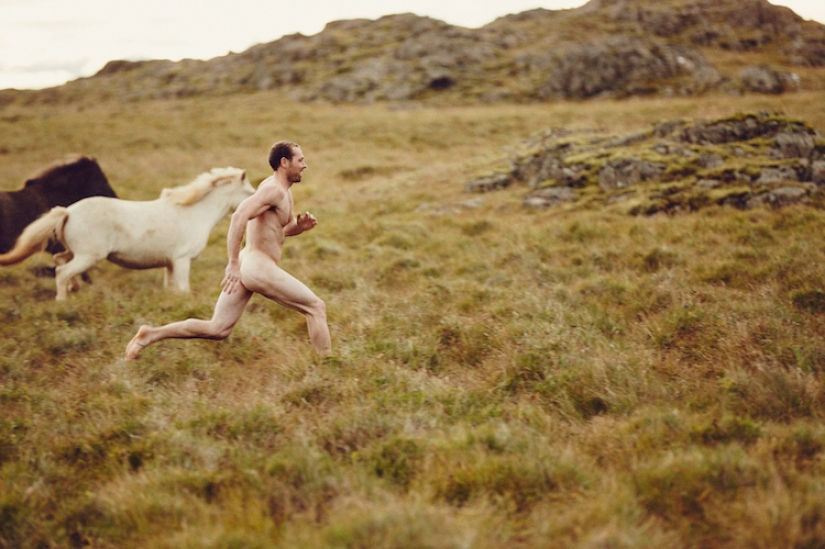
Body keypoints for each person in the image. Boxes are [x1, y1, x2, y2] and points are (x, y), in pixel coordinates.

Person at [125, 141, 331, 361]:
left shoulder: (280, 191)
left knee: (217, 329)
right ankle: (328, 365)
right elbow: (238, 216)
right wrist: (232, 263)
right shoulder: (273, 190)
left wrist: (300, 227)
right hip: (256, 266)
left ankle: (150, 335)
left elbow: (282, 229)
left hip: (249, 263)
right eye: (300, 160)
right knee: (315, 307)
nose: (304, 165)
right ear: (284, 162)